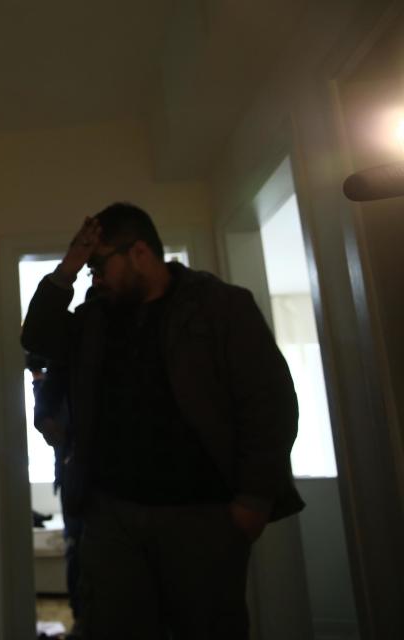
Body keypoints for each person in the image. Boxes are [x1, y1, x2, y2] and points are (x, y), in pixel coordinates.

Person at [20, 202, 303, 640]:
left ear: (139, 253)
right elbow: (37, 337)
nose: (95, 278)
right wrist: (70, 264)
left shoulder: (221, 306)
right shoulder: (95, 318)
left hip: (202, 515)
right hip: (111, 513)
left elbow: (269, 403)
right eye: (89, 268)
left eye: (100, 265)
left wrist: (255, 499)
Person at [26, 354, 85, 638]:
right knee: (77, 556)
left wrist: (38, 378)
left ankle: (84, 622)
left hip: (78, 482)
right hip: (73, 480)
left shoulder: (74, 388)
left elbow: (52, 429)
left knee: (78, 556)